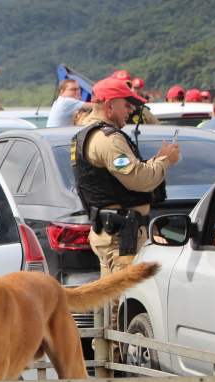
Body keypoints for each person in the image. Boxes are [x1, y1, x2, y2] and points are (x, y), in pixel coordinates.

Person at [72, 78, 180, 341]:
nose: (131, 110)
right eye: (126, 104)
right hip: (122, 236)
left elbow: (130, 174)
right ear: (109, 106)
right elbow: (137, 178)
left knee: (112, 304)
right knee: (121, 306)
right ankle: (119, 373)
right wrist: (165, 162)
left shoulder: (95, 134)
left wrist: (156, 160)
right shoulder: (108, 139)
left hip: (117, 232)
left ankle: (111, 371)